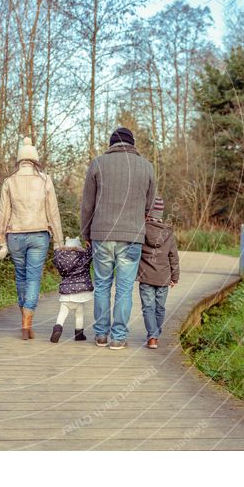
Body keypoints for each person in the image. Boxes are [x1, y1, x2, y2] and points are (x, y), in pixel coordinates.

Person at [80, 127, 155, 350]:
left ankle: (101, 334)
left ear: (112, 144)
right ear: (132, 144)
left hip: (101, 235)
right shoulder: (146, 167)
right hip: (132, 236)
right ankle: (119, 337)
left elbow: (87, 205)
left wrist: (85, 233)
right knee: (124, 288)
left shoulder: (98, 164)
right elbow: (150, 204)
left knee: (102, 285)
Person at [0, 137, 64, 339]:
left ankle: (25, 323)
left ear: (19, 160)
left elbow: (3, 212)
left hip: (15, 235)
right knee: (33, 278)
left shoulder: (9, 181)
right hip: (38, 235)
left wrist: (1, 238)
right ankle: (27, 322)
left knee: (21, 277)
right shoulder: (45, 180)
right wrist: (59, 241)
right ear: (35, 160)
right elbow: (53, 212)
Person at [137, 197, 180, 349]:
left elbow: (134, 253)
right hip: (163, 277)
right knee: (160, 307)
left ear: (147, 213)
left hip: (146, 276)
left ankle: (152, 337)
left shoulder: (140, 230)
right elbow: (173, 257)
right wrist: (175, 277)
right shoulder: (168, 233)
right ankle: (156, 334)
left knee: (148, 307)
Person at [50, 236, 93, 343]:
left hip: (66, 293)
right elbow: (90, 256)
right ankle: (79, 335)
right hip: (80, 292)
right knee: (79, 315)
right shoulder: (83, 257)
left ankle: (57, 328)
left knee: (62, 314)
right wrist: (89, 247)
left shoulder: (60, 258)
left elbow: (55, 258)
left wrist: (57, 249)